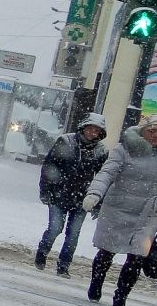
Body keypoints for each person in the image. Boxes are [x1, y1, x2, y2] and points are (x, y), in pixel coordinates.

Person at [83, 116, 157, 306]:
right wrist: (95, 193)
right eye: (151, 130)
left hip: (148, 214)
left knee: (137, 257)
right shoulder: (124, 149)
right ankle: (96, 285)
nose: (155, 135)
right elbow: (107, 173)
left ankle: (120, 299)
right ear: (142, 131)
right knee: (106, 251)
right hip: (117, 209)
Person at [36, 113, 109, 275]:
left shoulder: (101, 151)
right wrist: (46, 190)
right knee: (55, 228)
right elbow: (49, 167)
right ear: (83, 127)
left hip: (82, 199)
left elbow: (103, 178)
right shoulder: (65, 142)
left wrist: (98, 202)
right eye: (90, 129)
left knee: (73, 234)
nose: (92, 133)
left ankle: (63, 265)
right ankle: (42, 253)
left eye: (96, 131)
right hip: (59, 195)